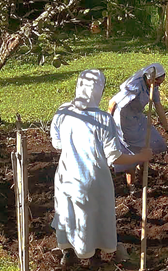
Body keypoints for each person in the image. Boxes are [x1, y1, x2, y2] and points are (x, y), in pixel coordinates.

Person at [50, 69, 153, 268]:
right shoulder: (103, 119)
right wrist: (141, 156)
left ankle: (68, 254)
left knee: (68, 211)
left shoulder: (63, 112)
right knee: (95, 216)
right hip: (94, 179)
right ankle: (94, 258)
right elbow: (114, 157)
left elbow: (57, 144)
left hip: (66, 176)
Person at [108, 63, 168, 194]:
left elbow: (158, 107)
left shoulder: (153, 87)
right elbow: (112, 102)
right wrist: (108, 124)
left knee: (150, 141)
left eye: (161, 83)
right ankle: (131, 186)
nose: (159, 85)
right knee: (132, 151)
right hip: (124, 121)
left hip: (138, 117)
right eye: (158, 82)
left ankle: (141, 168)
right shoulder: (135, 86)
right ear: (149, 79)